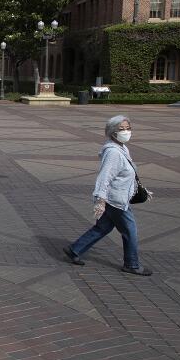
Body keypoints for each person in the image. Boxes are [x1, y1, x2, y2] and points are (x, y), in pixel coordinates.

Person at [63, 115, 150, 275]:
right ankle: (132, 264)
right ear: (112, 132)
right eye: (121, 129)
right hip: (115, 200)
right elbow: (104, 177)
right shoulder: (113, 153)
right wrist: (100, 200)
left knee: (103, 227)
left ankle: (75, 249)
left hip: (117, 197)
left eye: (128, 128)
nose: (126, 132)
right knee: (130, 231)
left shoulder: (122, 148)